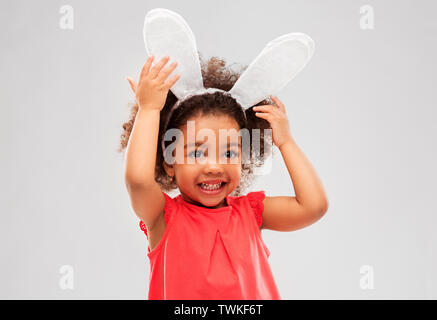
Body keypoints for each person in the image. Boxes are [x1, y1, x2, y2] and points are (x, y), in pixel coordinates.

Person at [119, 53, 328, 299]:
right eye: (197, 152)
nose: (214, 167)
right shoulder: (162, 217)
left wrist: (286, 142)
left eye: (229, 152)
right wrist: (149, 109)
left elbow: (313, 206)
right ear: (169, 164)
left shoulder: (251, 213)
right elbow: (138, 180)